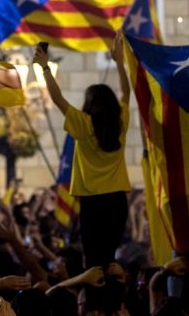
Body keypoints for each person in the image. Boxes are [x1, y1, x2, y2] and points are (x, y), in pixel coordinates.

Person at [33, 36, 131, 269]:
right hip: (118, 201)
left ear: (89, 105)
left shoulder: (84, 124)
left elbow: (57, 99)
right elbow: (126, 94)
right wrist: (119, 62)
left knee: (94, 262)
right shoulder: (121, 122)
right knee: (110, 259)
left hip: (92, 203)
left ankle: (95, 303)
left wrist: (45, 67)